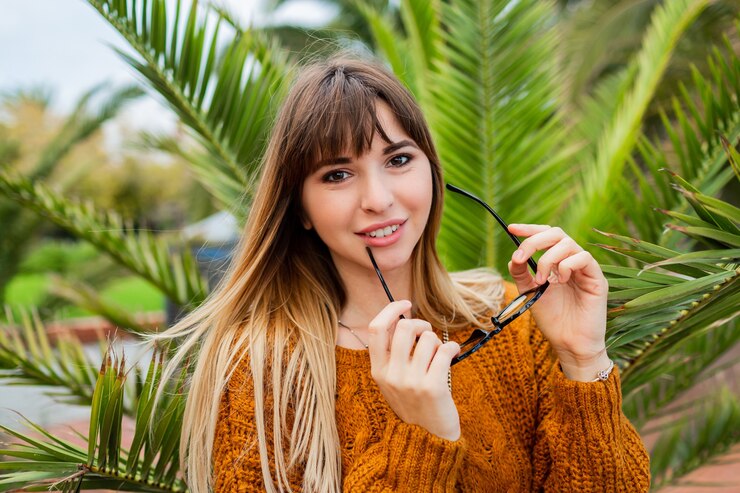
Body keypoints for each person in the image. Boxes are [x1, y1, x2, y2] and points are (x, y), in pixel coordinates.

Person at [157, 53, 650, 492]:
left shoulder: (514, 322)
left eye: (398, 159)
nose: (378, 199)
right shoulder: (262, 369)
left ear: (432, 173)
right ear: (300, 207)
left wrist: (583, 360)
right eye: (337, 174)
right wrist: (420, 437)